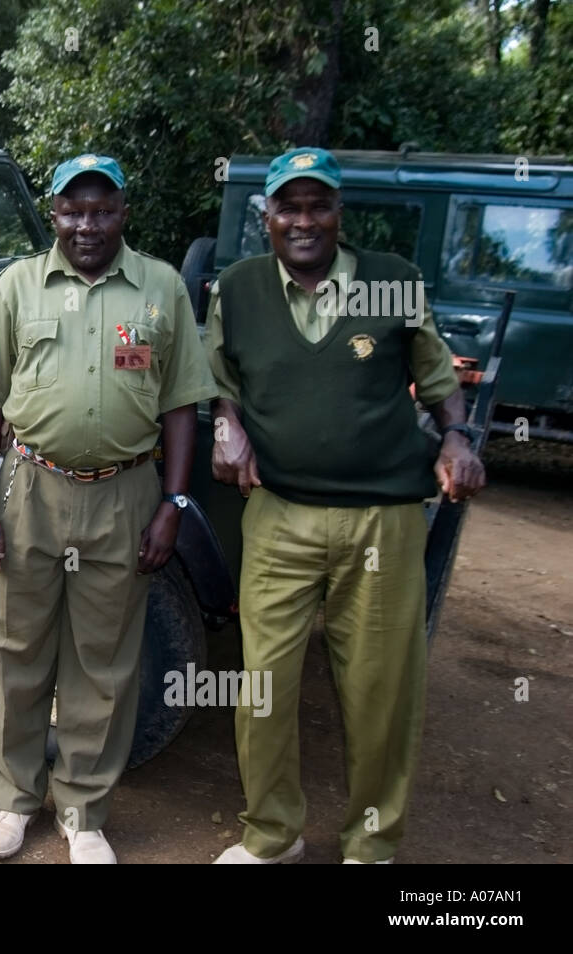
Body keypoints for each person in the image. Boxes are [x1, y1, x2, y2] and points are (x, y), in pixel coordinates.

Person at [204, 146, 486, 864]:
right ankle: (271, 836)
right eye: (288, 207)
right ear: (265, 217)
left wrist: (456, 436)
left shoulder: (394, 281)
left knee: (380, 691)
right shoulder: (236, 289)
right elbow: (218, 377)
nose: (303, 220)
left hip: (382, 520)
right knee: (262, 686)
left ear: (339, 212)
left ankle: (372, 844)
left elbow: (436, 374)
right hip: (276, 512)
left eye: (318, 205)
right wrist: (225, 421)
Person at [0, 154, 217, 863]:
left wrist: (173, 504)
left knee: (105, 659)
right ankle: (12, 800)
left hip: (127, 494)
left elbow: (184, 403)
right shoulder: (18, 286)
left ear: (123, 212)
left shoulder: (160, 288)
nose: (86, 224)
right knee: (17, 650)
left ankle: (84, 811)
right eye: (72, 210)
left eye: (101, 210)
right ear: (55, 214)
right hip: (31, 490)